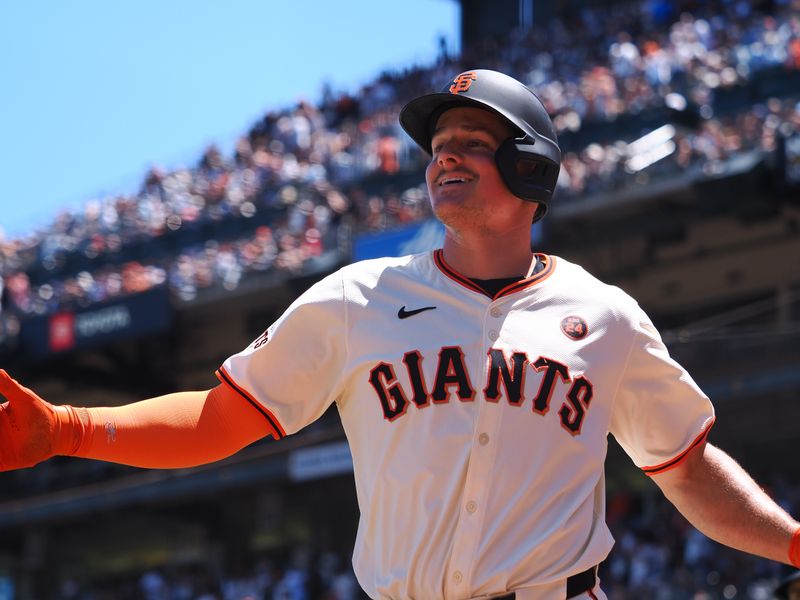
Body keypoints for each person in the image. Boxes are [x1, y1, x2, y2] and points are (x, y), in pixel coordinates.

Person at [1, 69, 799, 600]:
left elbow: (687, 471)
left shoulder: (608, 317)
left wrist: (796, 545)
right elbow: (219, 420)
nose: (443, 159)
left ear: (530, 171)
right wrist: (69, 428)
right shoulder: (356, 300)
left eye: (470, 146)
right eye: (437, 149)